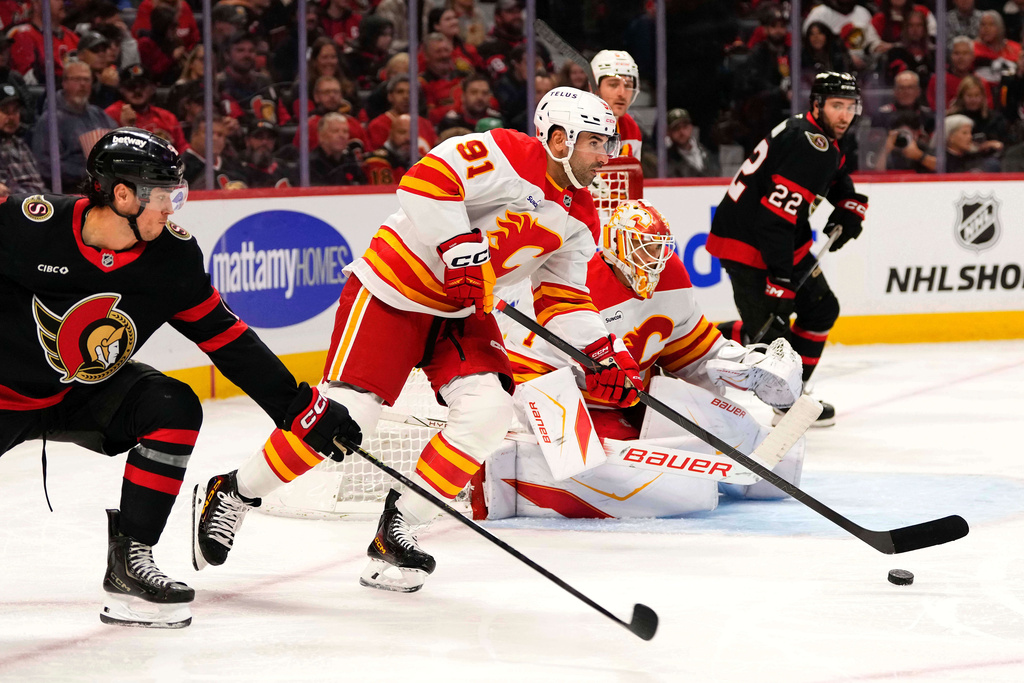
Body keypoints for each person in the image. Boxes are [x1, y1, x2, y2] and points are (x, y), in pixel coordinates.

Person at [193, 86, 640, 593]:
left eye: (607, 144)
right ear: (558, 138)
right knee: (345, 421)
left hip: (460, 311)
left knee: (490, 413)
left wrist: (603, 353)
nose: (605, 157)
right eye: (595, 143)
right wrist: (457, 246)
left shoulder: (581, 215)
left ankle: (397, 527)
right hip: (393, 291)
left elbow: (562, 299)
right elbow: (424, 181)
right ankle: (234, 493)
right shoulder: (508, 152)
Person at [0, 127, 361, 628]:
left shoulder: (170, 258)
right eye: (162, 194)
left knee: (172, 404)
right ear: (121, 194)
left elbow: (226, 338)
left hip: (81, 394)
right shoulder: (27, 225)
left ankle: (130, 564)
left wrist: (299, 408)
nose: (172, 207)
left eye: (177, 193)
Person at [487, 199, 804, 519]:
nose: (653, 260)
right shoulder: (575, 277)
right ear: (613, 247)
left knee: (760, 465)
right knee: (606, 469)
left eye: (657, 249)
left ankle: (749, 457)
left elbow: (691, 351)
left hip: (628, 399)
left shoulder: (672, 277)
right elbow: (528, 359)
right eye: (641, 247)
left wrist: (744, 366)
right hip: (553, 386)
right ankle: (521, 475)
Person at [707, 72, 871, 428]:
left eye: (850, 106)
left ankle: (793, 393)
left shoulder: (818, 135)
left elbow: (835, 172)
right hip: (749, 247)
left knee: (820, 309)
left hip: (781, 242)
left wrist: (848, 202)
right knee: (770, 337)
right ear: (817, 105)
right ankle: (692, 343)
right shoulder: (809, 142)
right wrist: (779, 279)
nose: (845, 115)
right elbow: (775, 218)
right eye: (836, 106)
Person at [31, 60, 117, 191]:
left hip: (105, 187)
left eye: (87, 80)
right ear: (64, 83)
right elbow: (45, 166)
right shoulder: (50, 120)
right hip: (70, 191)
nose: (82, 84)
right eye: (76, 79)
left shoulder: (99, 114)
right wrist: (87, 172)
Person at [105, 63, 188, 153]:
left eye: (142, 86)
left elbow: (183, 149)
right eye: (131, 86)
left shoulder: (167, 117)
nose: (137, 90)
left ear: (153, 88)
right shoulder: (110, 114)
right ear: (121, 89)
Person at [590, 49, 643, 159]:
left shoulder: (631, 127)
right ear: (594, 87)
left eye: (628, 85)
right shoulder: (574, 125)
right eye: (613, 85)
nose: (622, 94)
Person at [0, 83, 45, 197]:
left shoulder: (20, 143)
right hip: (16, 208)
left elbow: (38, 185)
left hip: (41, 204)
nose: (12, 117)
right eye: (5, 111)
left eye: (15, 111)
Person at [309, 111, 366, 186]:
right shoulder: (309, 165)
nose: (342, 135)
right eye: (335, 131)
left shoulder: (350, 162)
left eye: (345, 132)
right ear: (321, 136)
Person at [659, 107, 718, 178]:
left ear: (691, 127)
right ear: (669, 132)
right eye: (676, 128)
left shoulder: (708, 151)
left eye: (685, 127)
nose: (682, 132)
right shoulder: (667, 160)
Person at [362, 112, 411, 184]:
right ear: (390, 134)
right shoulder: (377, 160)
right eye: (402, 132)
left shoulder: (421, 160)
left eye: (412, 133)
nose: (408, 138)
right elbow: (384, 193)